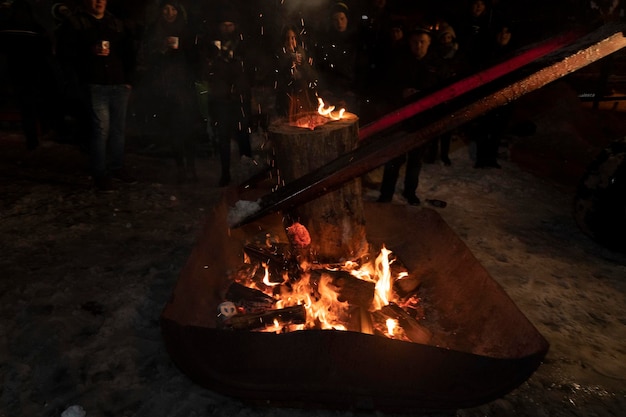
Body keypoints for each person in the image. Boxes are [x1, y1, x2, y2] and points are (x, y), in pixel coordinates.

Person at [55, 0, 137, 191]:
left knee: (118, 129)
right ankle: (100, 172)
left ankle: (117, 167)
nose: (99, 2)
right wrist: (87, 57)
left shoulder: (115, 23)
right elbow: (65, 55)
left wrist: (129, 79)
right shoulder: (76, 23)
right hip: (94, 84)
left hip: (118, 83)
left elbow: (128, 52)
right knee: (101, 130)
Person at [377, 27, 450, 205]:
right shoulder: (400, 62)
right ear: (409, 43)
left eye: (422, 42)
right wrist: (401, 93)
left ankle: (411, 192)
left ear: (429, 43)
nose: (418, 46)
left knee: (416, 160)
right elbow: (387, 86)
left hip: (424, 120)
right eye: (415, 42)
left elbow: (444, 91)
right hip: (402, 120)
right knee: (394, 158)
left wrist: (426, 97)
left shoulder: (437, 65)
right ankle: (386, 194)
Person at [138, 0, 199, 183]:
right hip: (165, 87)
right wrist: (162, 49)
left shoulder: (187, 30)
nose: (169, 12)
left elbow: (195, 56)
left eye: (173, 9)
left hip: (184, 86)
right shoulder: (154, 31)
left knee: (188, 127)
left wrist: (184, 50)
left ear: (178, 11)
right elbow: (147, 57)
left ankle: (191, 166)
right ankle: (180, 167)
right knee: (174, 129)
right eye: (166, 9)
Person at [201, 7, 253, 187]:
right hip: (220, 98)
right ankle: (225, 173)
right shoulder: (211, 45)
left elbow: (249, 69)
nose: (227, 29)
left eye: (230, 25)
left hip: (239, 97)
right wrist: (214, 61)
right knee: (222, 136)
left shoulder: (242, 44)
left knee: (243, 134)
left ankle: (249, 173)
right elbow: (206, 72)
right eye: (224, 25)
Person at [0, 0, 60, 150]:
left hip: (15, 72)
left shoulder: (7, 27)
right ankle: (45, 130)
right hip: (36, 71)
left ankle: (32, 139)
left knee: (25, 105)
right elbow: (47, 49)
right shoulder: (36, 28)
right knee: (38, 103)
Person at [314, 2, 360, 112]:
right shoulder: (327, 41)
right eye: (336, 20)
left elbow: (360, 68)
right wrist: (324, 90)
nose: (339, 23)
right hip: (332, 91)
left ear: (347, 19)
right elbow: (322, 67)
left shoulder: (355, 41)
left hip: (350, 91)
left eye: (342, 18)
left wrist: (352, 91)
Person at [273, 24, 318, 120]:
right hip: (287, 101)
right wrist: (290, 62)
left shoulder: (302, 53)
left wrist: (302, 64)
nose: (290, 42)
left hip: (303, 98)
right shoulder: (279, 56)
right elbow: (280, 78)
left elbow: (311, 76)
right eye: (287, 38)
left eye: (293, 38)